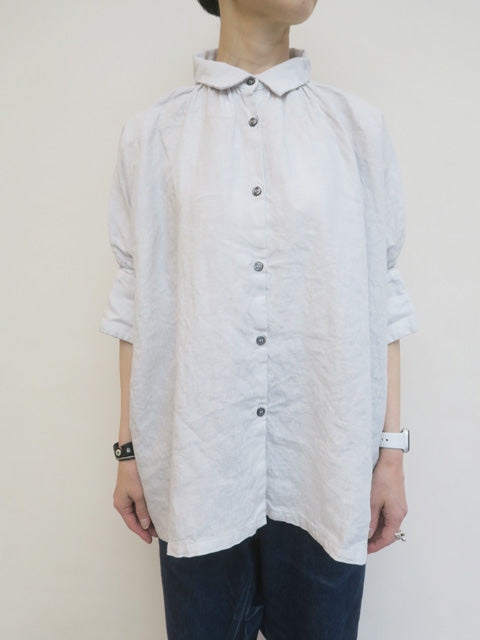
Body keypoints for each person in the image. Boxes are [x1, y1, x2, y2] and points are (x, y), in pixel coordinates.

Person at [100, 1, 419, 638]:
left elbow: (381, 298)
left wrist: (391, 455)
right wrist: (128, 452)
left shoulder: (356, 129)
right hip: (198, 470)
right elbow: (137, 303)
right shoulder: (154, 135)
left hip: (325, 470)